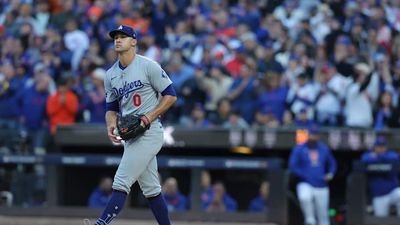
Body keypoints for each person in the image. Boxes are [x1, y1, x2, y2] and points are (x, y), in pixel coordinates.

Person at [86, 25, 177, 225]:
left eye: (123, 37)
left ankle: (101, 223)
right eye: (115, 37)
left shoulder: (148, 66)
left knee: (120, 182)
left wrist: (149, 116)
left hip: (150, 132)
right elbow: (111, 107)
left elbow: (170, 96)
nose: (118, 40)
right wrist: (110, 124)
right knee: (152, 189)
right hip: (130, 134)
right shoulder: (110, 75)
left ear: (134, 41)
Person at [289, 126, 337, 225]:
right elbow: (293, 165)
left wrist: (330, 174)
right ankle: (310, 220)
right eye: (311, 134)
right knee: (304, 197)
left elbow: (332, 163)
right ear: (308, 135)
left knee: (323, 215)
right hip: (305, 182)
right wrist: (305, 175)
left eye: (315, 134)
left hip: (321, 183)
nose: (313, 136)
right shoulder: (300, 148)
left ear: (318, 136)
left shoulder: (323, 149)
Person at [361, 136, 400, 217]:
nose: (381, 148)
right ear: (375, 147)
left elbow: (395, 158)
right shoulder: (368, 155)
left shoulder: (391, 154)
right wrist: (382, 159)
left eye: (383, 146)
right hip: (379, 195)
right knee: (380, 220)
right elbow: (364, 159)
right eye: (379, 146)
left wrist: (378, 157)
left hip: (392, 192)